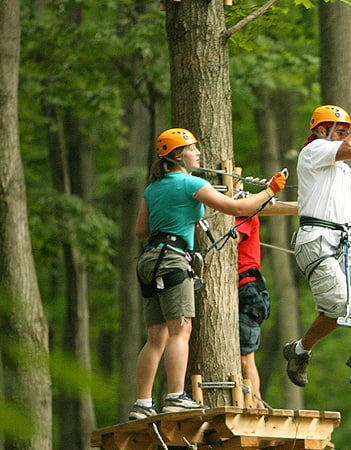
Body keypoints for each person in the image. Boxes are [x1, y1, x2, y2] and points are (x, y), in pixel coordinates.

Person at [129, 128, 286, 420]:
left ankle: (142, 403)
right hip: (173, 261)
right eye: (193, 149)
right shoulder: (190, 183)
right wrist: (270, 191)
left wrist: (172, 215)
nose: (198, 154)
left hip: (150, 260)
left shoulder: (153, 188)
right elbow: (236, 207)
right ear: (179, 156)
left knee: (156, 337)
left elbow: (141, 230)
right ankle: (176, 396)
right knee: (181, 330)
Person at [282, 103, 351, 387]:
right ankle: (300, 350)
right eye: (340, 130)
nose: (346, 136)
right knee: (339, 309)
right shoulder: (314, 151)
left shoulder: (342, 170)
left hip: (344, 241)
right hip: (317, 240)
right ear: (322, 130)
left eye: (348, 131)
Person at [236, 214, 270, 401]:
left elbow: (228, 243)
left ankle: (255, 404)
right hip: (242, 289)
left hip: (249, 290)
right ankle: (252, 402)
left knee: (245, 356)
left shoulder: (244, 213)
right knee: (242, 356)